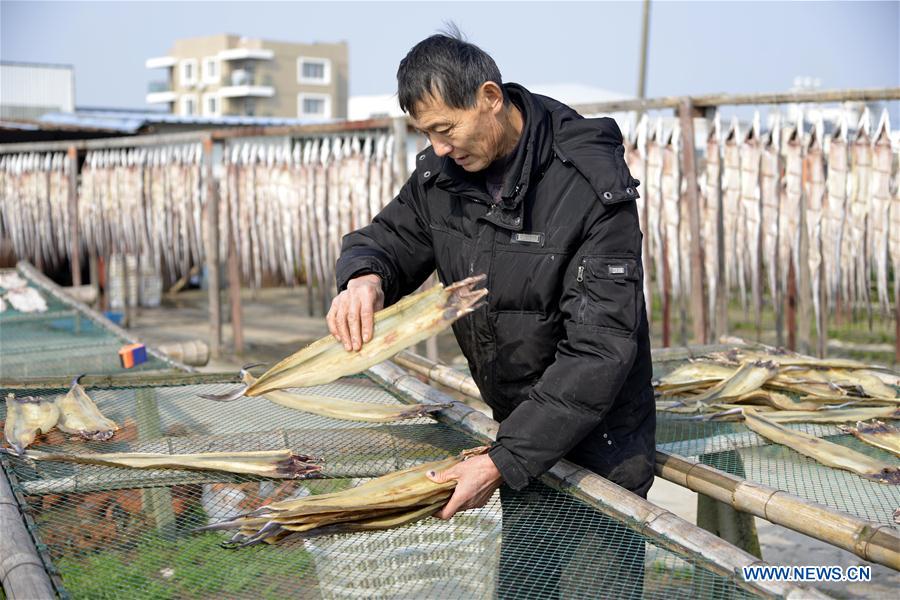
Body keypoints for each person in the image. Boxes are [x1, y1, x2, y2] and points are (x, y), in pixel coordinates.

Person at [327, 30, 654, 597]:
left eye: (445, 130)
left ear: (489, 97)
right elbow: (389, 237)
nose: (439, 148)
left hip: (601, 447)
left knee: (593, 586)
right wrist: (364, 277)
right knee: (527, 587)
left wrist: (501, 460)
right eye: (427, 134)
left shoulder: (588, 186)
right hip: (520, 439)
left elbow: (599, 350)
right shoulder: (443, 177)